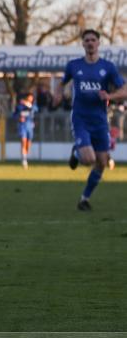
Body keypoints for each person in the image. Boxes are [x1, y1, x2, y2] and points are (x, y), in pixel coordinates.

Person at [53, 29, 127, 211]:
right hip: (81, 119)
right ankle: (77, 152)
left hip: (100, 122)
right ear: (83, 44)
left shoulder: (108, 67)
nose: (90, 43)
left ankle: (84, 199)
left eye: (93, 40)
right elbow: (61, 84)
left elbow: (124, 90)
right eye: (87, 40)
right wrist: (58, 94)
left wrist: (109, 95)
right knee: (88, 159)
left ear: (98, 43)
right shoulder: (74, 66)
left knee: (101, 163)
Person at [12, 92, 36, 169]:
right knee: (23, 141)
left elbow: (35, 109)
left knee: (28, 144)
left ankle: (25, 157)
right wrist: (19, 118)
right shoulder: (20, 107)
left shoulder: (32, 106)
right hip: (22, 126)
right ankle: (24, 160)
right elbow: (14, 115)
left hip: (30, 127)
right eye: (29, 97)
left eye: (31, 98)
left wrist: (27, 104)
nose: (31, 99)